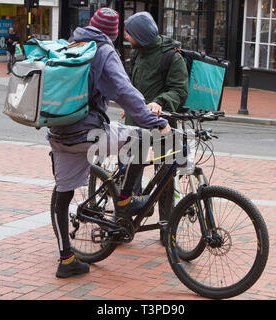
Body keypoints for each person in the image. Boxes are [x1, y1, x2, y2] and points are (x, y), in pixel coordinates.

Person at [48, 7, 171, 279]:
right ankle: (125, 201)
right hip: (87, 131)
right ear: (113, 34)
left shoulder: (73, 44)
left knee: (62, 194)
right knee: (141, 138)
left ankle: (66, 260)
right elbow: (124, 91)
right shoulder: (103, 51)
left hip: (60, 134)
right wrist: (155, 121)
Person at [122, 12, 189, 245]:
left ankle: (166, 229)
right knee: (131, 176)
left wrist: (160, 102)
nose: (125, 35)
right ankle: (123, 224)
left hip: (164, 126)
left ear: (140, 35)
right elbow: (132, 84)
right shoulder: (137, 52)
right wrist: (129, 107)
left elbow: (180, 90)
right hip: (136, 123)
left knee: (166, 179)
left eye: (129, 32)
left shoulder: (172, 56)